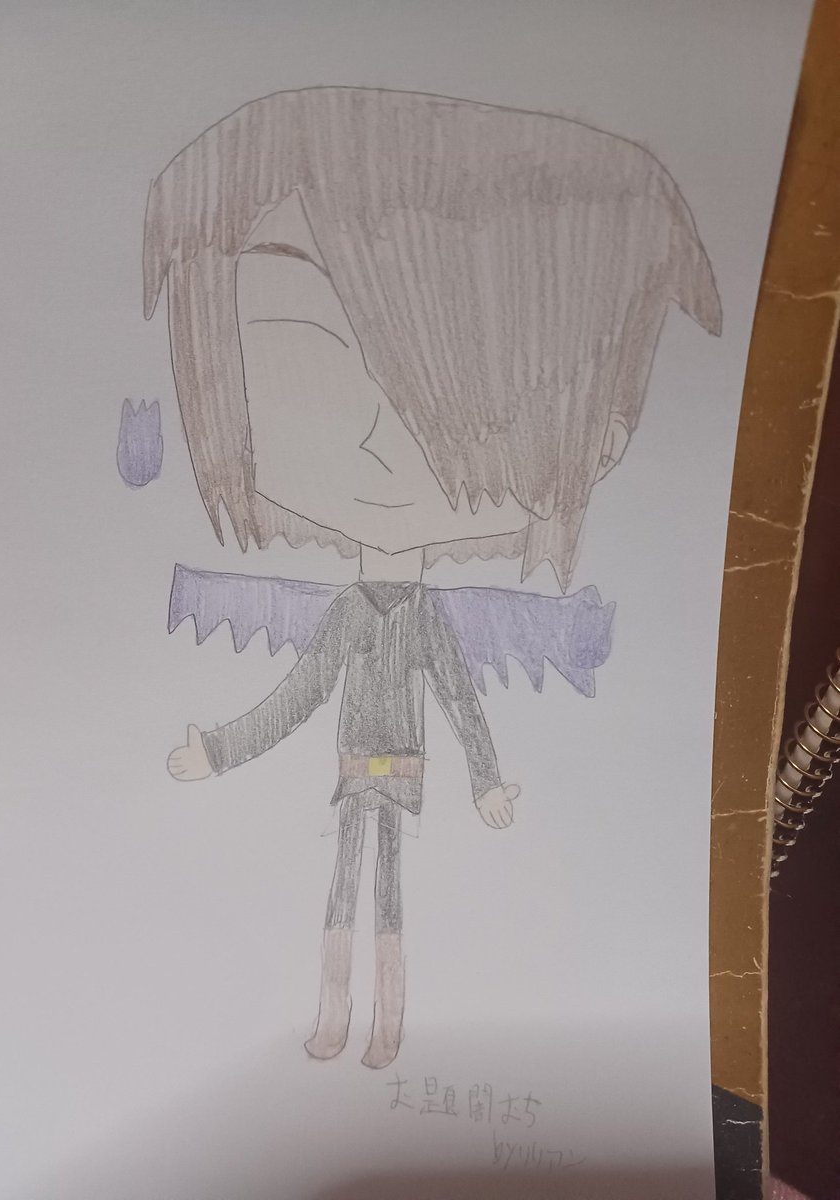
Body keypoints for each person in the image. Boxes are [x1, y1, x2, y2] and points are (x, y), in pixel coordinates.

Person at [145, 86, 721, 1068]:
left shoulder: (418, 623)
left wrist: (488, 780)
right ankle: (336, 1016)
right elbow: (300, 693)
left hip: (400, 772)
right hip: (356, 774)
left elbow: (459, 698)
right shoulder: (349, 616)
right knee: (345, 884)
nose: (378, 439)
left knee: (386, 892)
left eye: (429, 395)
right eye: (301, 357)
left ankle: (388, 1025)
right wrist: (223, 749)